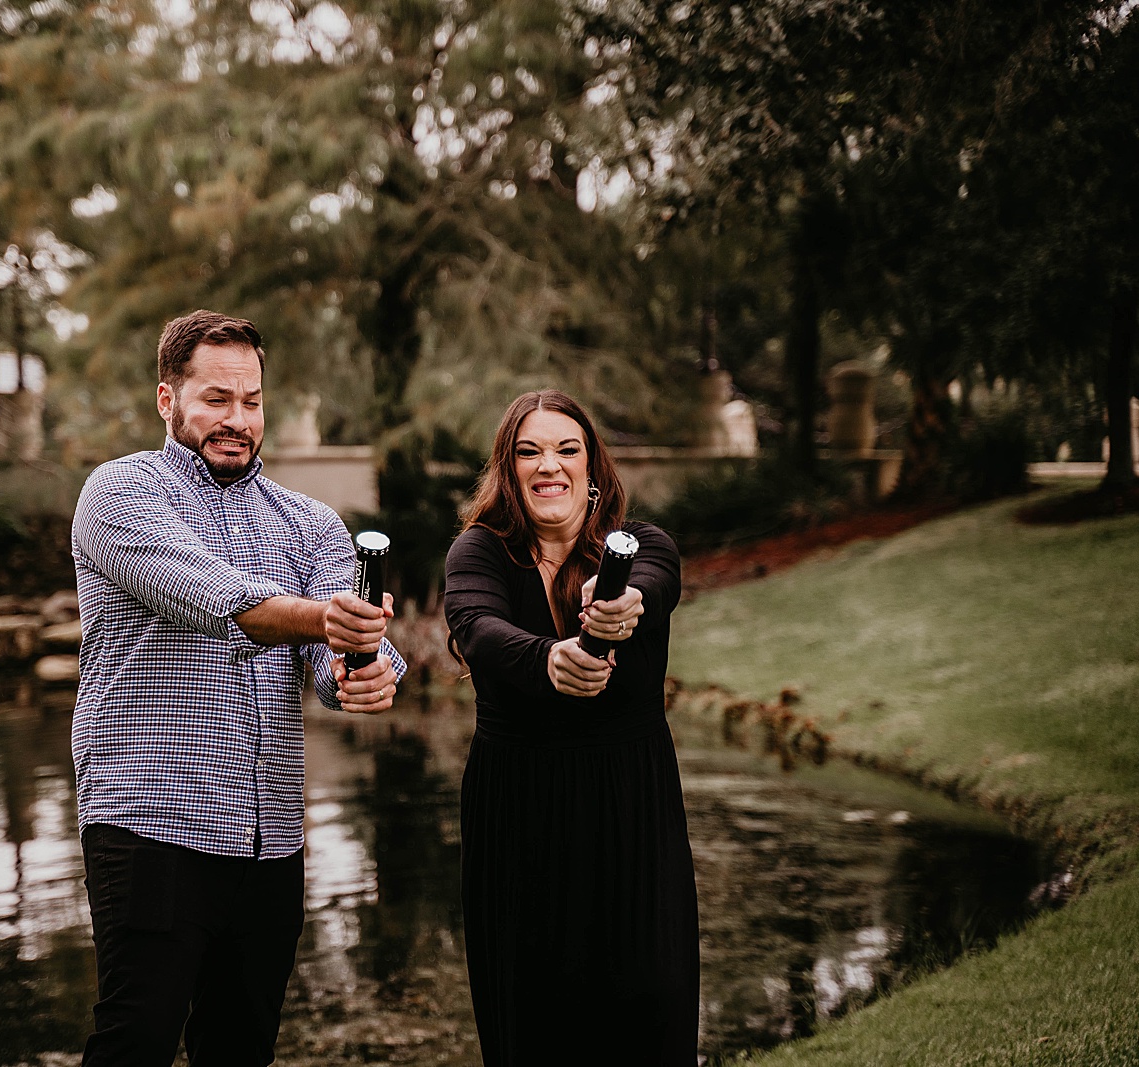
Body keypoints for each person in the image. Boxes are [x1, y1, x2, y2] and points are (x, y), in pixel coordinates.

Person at [70, 310, 405, 1066]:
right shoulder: (120, 494)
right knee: (135, 1041)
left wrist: (366, 667)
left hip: (269, 840)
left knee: (241, 1050)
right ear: (167, 400)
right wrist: (328, 619)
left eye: (252, 401)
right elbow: (217, 598)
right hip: (150, 823)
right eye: (217, 399)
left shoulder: (313, 523)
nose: (238, 420)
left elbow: (331, 663)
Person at [443, 389, 699, 1064]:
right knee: (535, 1024)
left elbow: (653, 579)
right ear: (507, 469)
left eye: (566, 449)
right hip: (518, 812)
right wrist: (550, 657)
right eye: (528, 451)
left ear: (592, 470)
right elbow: (480, 628)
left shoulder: (644, 545)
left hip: (630, 807)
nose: (547, 465)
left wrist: (623, 601)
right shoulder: (478, 553)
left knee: (651, 1004)